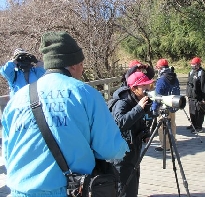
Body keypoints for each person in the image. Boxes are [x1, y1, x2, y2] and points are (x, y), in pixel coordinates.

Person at [1, 31, 129, 197]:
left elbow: (7, 152)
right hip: (67, 191)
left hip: (19, 191)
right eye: (82, 65)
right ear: (73, 65)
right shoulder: (85, 94)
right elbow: (111, 150)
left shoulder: (16, 99)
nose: (82, 71)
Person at [109, 71, 153, 197]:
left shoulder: (137, 99)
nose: (147, 88)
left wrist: (145, 133)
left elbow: (138, 121)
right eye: (143, 86)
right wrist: (138, 108)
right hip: (121, 155)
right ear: (133, 88)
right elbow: (120, 123)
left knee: (133, 183)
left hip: (133, 150)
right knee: (124, 187)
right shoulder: (122, 102)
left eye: (148, 85)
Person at [152, 58, 180, 152]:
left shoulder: (161, 79)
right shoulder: (174, 77)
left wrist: (154, 108)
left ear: (160, 68)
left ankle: (166, 145)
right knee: (172, 123)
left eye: (157, 68)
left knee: (162, 126)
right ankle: (173, 141)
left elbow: (157, 96)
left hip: (163, 106)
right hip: (173, 104)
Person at [186, 56, 205, 132]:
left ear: (198, 64)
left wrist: (204, 98)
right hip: (191, 97)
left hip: (199, 97)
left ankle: (199, 127)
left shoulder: (202, 73)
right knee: (192, 111)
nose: (193, 66)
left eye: (194, 64)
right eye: (192, 64)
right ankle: (193, 124)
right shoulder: (191, 72)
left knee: (199, 112)